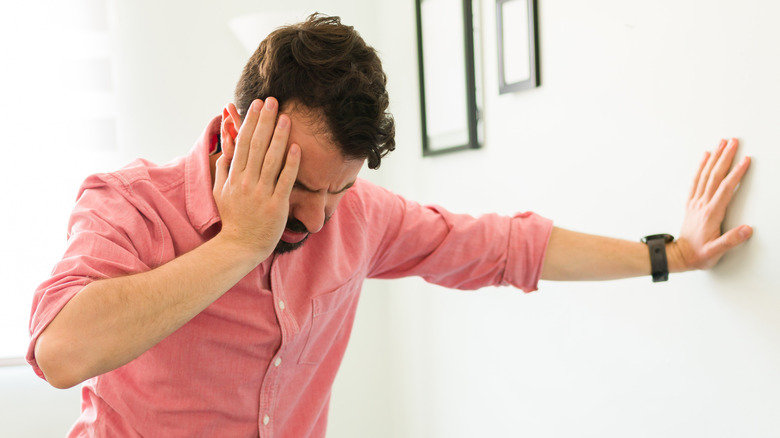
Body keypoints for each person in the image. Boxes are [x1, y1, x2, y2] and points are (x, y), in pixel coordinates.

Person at [27, 13, 752, 438]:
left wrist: (676, 254)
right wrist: (243, 241)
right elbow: (61, 352)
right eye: (298, 188)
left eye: (339, 192)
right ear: (236, 131)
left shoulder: (360, 218)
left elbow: (508, 247)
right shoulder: (129, 203)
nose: (316, 218)